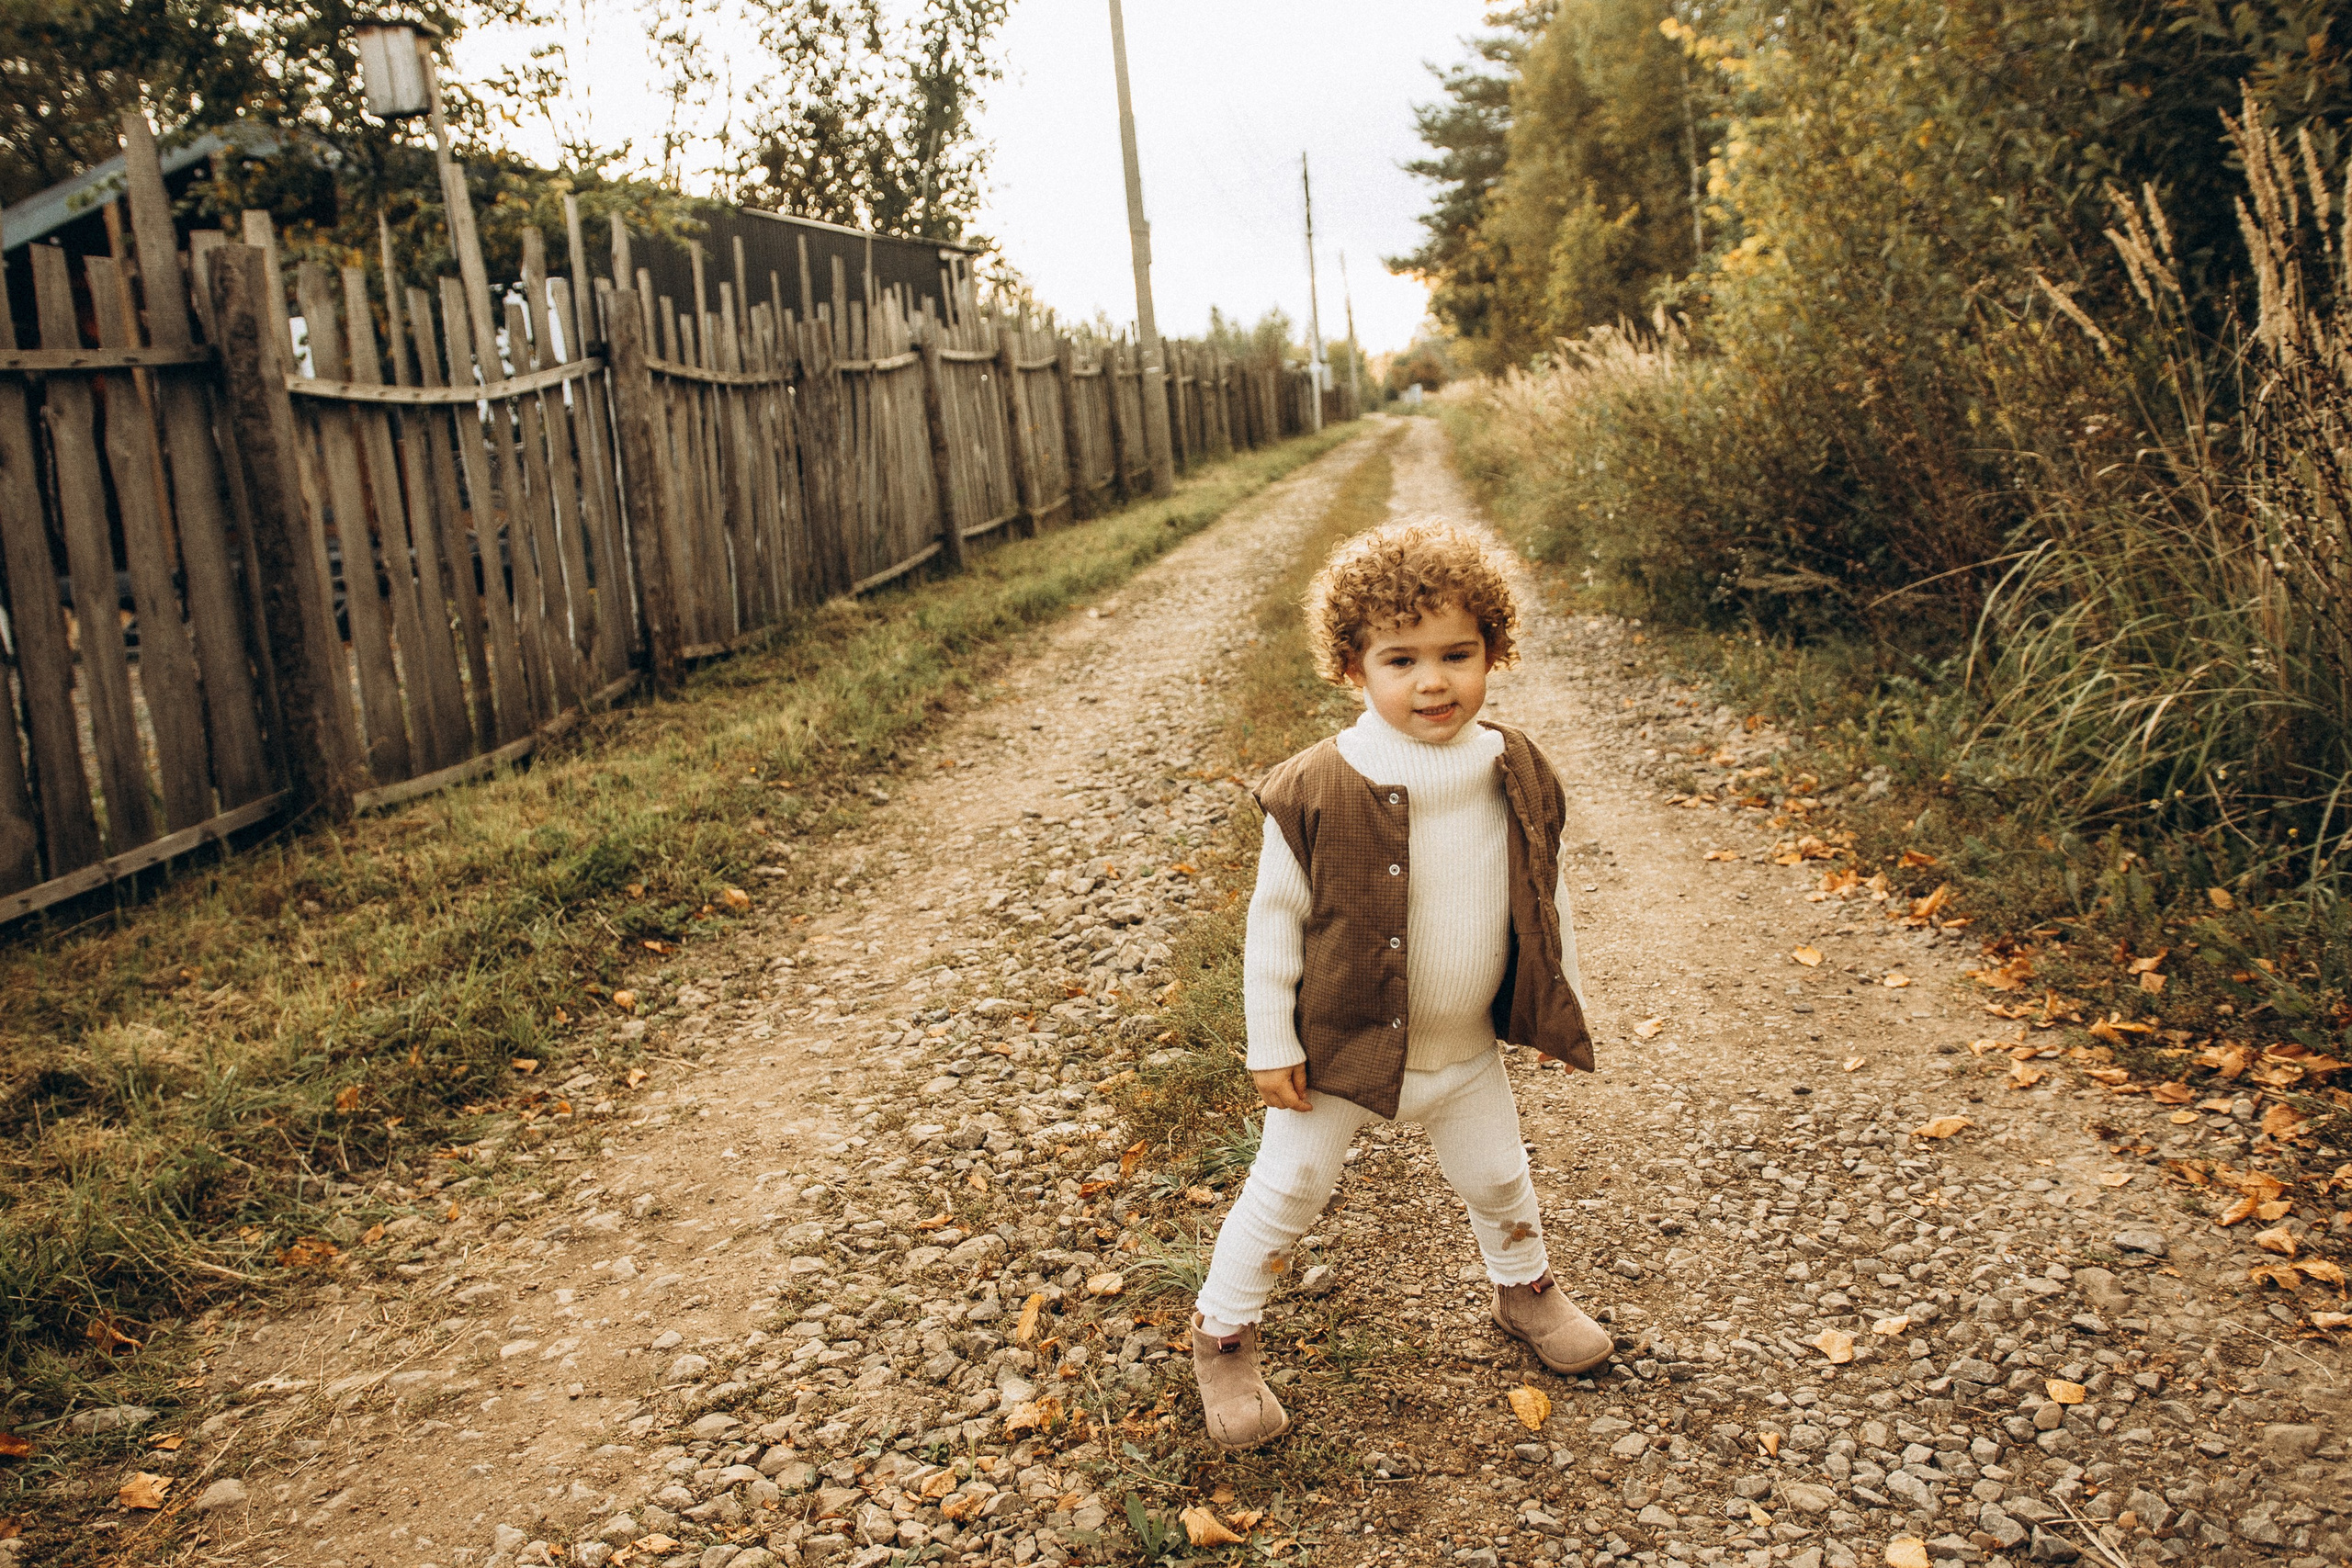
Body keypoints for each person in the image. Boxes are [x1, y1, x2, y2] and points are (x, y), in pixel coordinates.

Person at [1189, 519, 1611, 1450]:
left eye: (1458, 654)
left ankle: (1525, 1293)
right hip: (1338, 1052)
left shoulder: (1513, 767)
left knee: (1501, 1174)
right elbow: (1271, 926)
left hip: (1461, 1052)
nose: (1433, 682)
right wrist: (1271, 1042)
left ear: (1493, 650)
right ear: (1351, 667)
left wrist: (1558, 999)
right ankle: (1221, 1333)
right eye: (1400, 659)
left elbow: (1546, 894)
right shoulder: (1312, 788)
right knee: (1289, 1187)